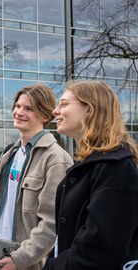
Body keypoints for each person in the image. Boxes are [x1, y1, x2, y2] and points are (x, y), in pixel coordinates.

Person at [0, 84, 73, 270]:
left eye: (28, 108)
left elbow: (51, 224)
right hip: (0, 251)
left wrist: (21, 259)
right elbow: (5, 202)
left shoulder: (56, 159)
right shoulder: (11, 153)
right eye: (17, 106)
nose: (19, 112)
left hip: (27, 262)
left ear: (45, 116)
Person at [42, 80, 138, 270]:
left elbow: (97, 248)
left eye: (64, 104)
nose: (55, 111)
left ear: (90, 109)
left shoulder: (115, 167)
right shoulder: (91, 164)